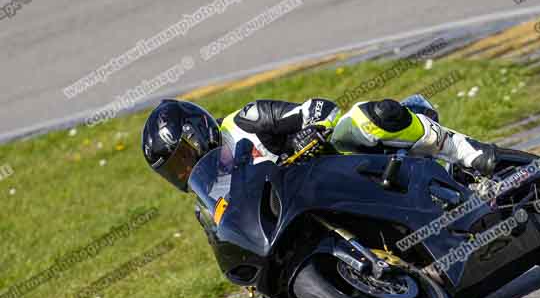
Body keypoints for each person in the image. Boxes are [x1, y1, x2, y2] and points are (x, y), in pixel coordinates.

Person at [141, 96, 497, 192]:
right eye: (175, 171)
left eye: (183, 158)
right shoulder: (212, 190)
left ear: (197, 131)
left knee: (367, 117)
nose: (185, 171)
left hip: (342, 162)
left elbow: (318, 108)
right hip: (311, 204)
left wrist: (311, 131)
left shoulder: (244, 121)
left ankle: (465, 151)